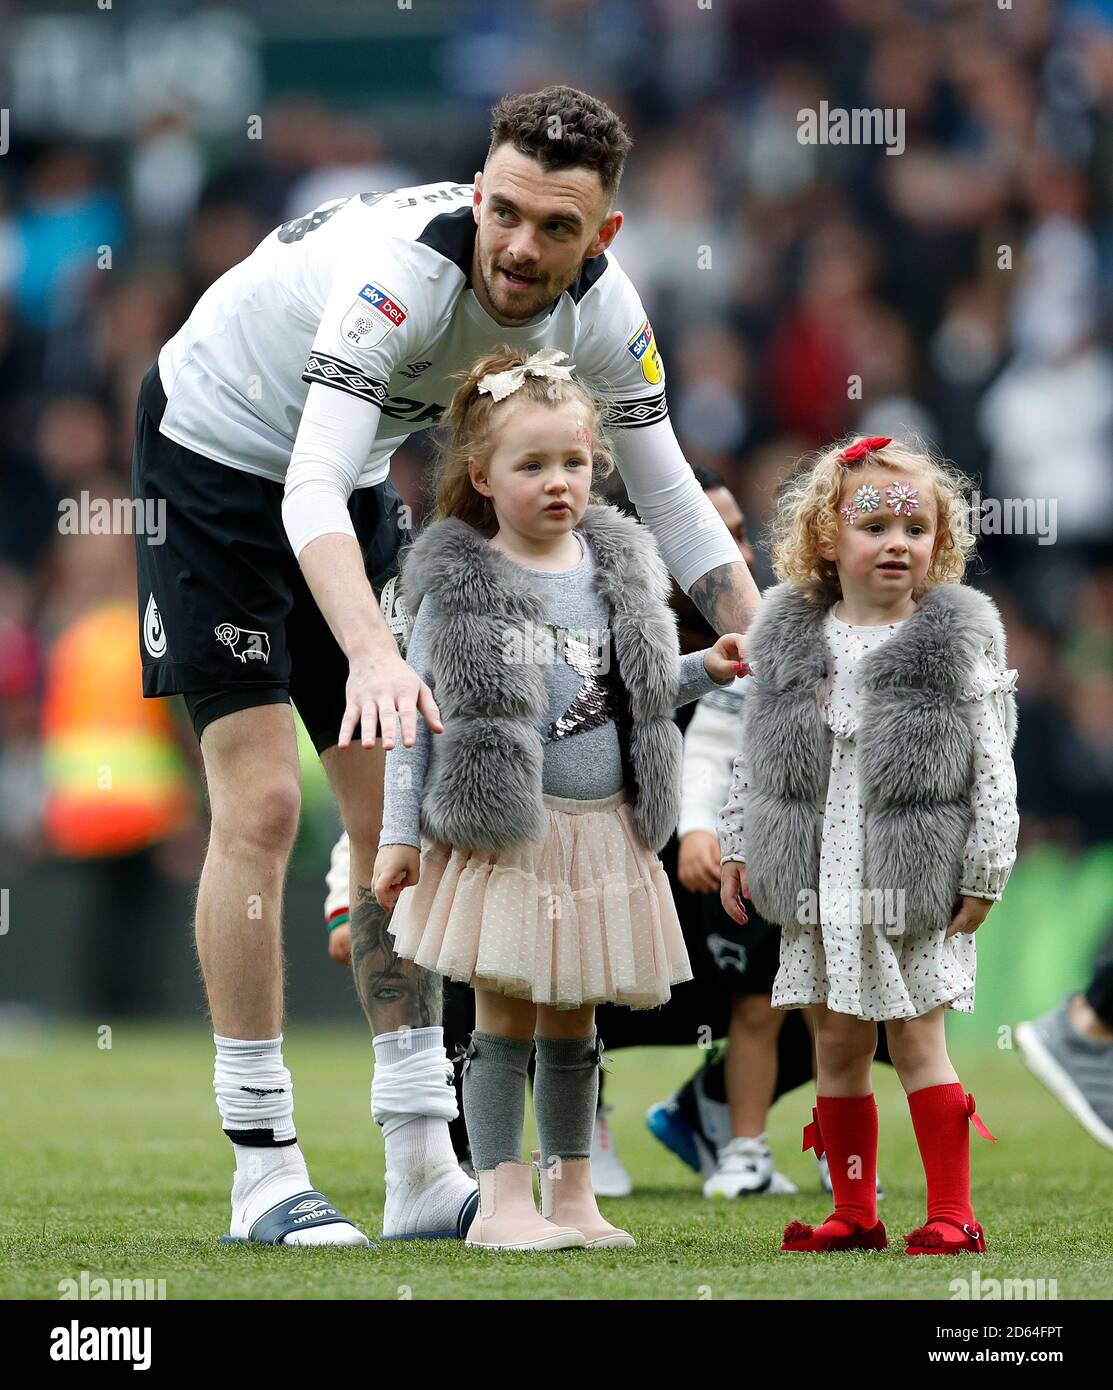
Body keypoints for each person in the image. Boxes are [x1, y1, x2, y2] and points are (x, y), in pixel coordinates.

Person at [131, 85, 760, 1245]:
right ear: (480, 190)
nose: (522, 247)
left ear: (602, 237)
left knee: (393, 827)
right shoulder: (397, 275)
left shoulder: (607, 311)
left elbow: (670, 491)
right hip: (217, 456)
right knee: (266, 798)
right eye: (506, 212)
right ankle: (263, 1167)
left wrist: (768, 651)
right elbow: (304, 484)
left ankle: (422, 1161)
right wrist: (374, 652)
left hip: (355, 476)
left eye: (557, 227)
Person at [372, 346, 745, 1250]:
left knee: (577, 1024)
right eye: (530, 466)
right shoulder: (455, 592)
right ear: (482, 475)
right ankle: (500, 1202)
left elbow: (638, 692)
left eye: (573, 463)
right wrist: (396, 836)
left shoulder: (616, 569)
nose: (557, 484)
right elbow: (412, 723)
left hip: (603, 834)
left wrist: (708, 664)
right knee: (502, 1021)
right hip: (507, 841)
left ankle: (571, 1194)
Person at [718, 435, 1020, 1255]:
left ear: (939, 543)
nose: (896, 543)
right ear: (826, 538)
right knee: (837, 1040)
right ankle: (853, 1210)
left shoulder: (953, 642)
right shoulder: (792, 639)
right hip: (818, 876)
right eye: (873, 525)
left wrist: (986, 868)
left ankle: (951, 1212)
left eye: (915, 529)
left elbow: (993, 768)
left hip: (909, 878)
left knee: (917, 1040)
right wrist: (740, 845)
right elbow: (758, 759)